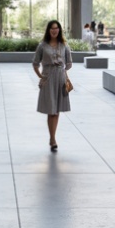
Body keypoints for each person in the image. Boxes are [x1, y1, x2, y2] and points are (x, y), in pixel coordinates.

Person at [32, 20, 73, 152]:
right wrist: (41, 76)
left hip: (60, 79)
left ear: (59, 30)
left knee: (57, 110)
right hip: (48, 79)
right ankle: (52, 138)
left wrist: (63, 72)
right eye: (52, 28)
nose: (54, 31)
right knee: (51, 110)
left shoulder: (64, 45)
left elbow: (69, 63)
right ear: (48, 30)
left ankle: (52, 138)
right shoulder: (42, 46)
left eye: (56, 28)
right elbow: (35, 63)